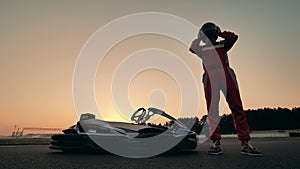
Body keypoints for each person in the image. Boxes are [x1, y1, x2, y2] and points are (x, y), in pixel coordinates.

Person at [189, 22, 262, 156]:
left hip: (226, 73)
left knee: (237, 107)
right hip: (210, 76)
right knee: (213, 110)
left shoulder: (223, 44)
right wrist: (200, 36)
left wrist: (219, 32)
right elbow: (192, 47)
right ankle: (216, 143)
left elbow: (233, 37)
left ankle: (245, 143)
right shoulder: (202, 49)